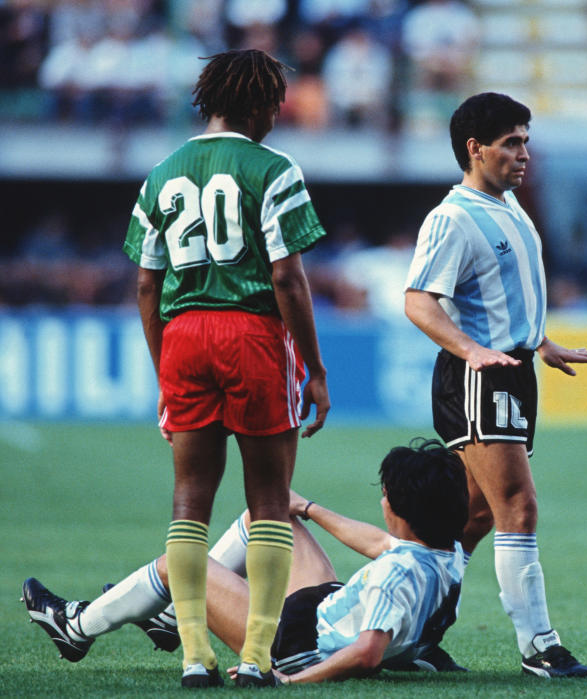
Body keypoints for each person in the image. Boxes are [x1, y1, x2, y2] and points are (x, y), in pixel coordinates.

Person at [122, 49, 332, 688]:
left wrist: (165, 371)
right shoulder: (273, 167)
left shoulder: (160, 172)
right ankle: (256, 657)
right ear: (259, 103)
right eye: (274, 103)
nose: (277, 115)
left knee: (189, 502)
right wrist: (316, 371)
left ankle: (192, 654)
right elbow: (288, 279)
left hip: (183, 336)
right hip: (251, 334)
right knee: (268, 500)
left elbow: (144, 285)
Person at [404, 92, 587, 678]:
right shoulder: (452, 216)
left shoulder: (510, 206)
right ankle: (539, 646)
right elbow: (419, 302)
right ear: (475, 149)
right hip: (479, 377)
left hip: (511, 370)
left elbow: (505, 296)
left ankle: (413, 632)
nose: (524, 153)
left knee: (471, 517)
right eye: (511, 143)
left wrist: (540, 342)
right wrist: (473, 351)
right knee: (517, 503)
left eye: (526, 141)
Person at [22, 439, 468, 684]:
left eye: (386, 492)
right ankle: (176, 616)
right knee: (267, 516)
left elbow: (368, 655)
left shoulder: (397, 573)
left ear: (402, 509)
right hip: (325, 609)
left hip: (296, 645)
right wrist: (307, 507)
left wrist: (289, 681)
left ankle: (76, 628)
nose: (382, 499)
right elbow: (384, 545)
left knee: (177, 562)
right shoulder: (446, 555)